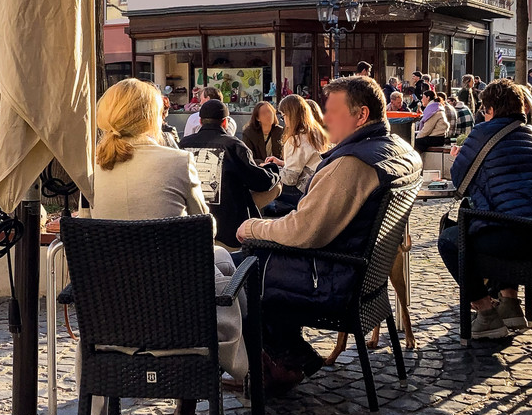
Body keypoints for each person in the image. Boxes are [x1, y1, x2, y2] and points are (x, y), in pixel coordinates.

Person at [83, 79, 247, 415]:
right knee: (219, 265)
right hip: (178, 322)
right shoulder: (176, 162)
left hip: (111, 320)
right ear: (149, 117)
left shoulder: (92, 168)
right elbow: (205, 229)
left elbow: (88, 230)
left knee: (209, 265)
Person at [235, 76, 420, 394]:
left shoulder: (352, 163)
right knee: (253, 262)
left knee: (244, 270)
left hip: (334, 279)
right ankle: (292, 357)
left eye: (332, 112)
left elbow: (303, 231)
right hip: (363, 276)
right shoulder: (400, 150)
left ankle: (284, 362)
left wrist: (251, 226)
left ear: (361, 115)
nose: (325, 119)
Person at [441, 79, 532, 343]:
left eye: (485, 110)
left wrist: (460, 157)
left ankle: (486, 314)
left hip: (518, 236)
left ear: (491, 110)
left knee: (451, 240)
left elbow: (460, 180)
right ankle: (510, 304)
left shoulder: (482, 133)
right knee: (501, 213)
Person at [178, 100, 276, 247]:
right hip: (229, 228)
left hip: (192, 226)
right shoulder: (233, 145)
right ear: (225, 123)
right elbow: (260, 182)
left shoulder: (183, 144)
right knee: (275, 186)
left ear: (200, 121)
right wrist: (273, 170)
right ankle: (251, 229)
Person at [265, 94, 330, 213]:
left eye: (283, 116)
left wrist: (270, 170)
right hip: (320, 187)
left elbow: (290, 179)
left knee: (263, 184)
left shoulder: (296, 140)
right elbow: (306, 164)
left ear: (290, 115)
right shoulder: (317, 133)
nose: (283, 120)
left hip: (303, 191)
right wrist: (282, 163)